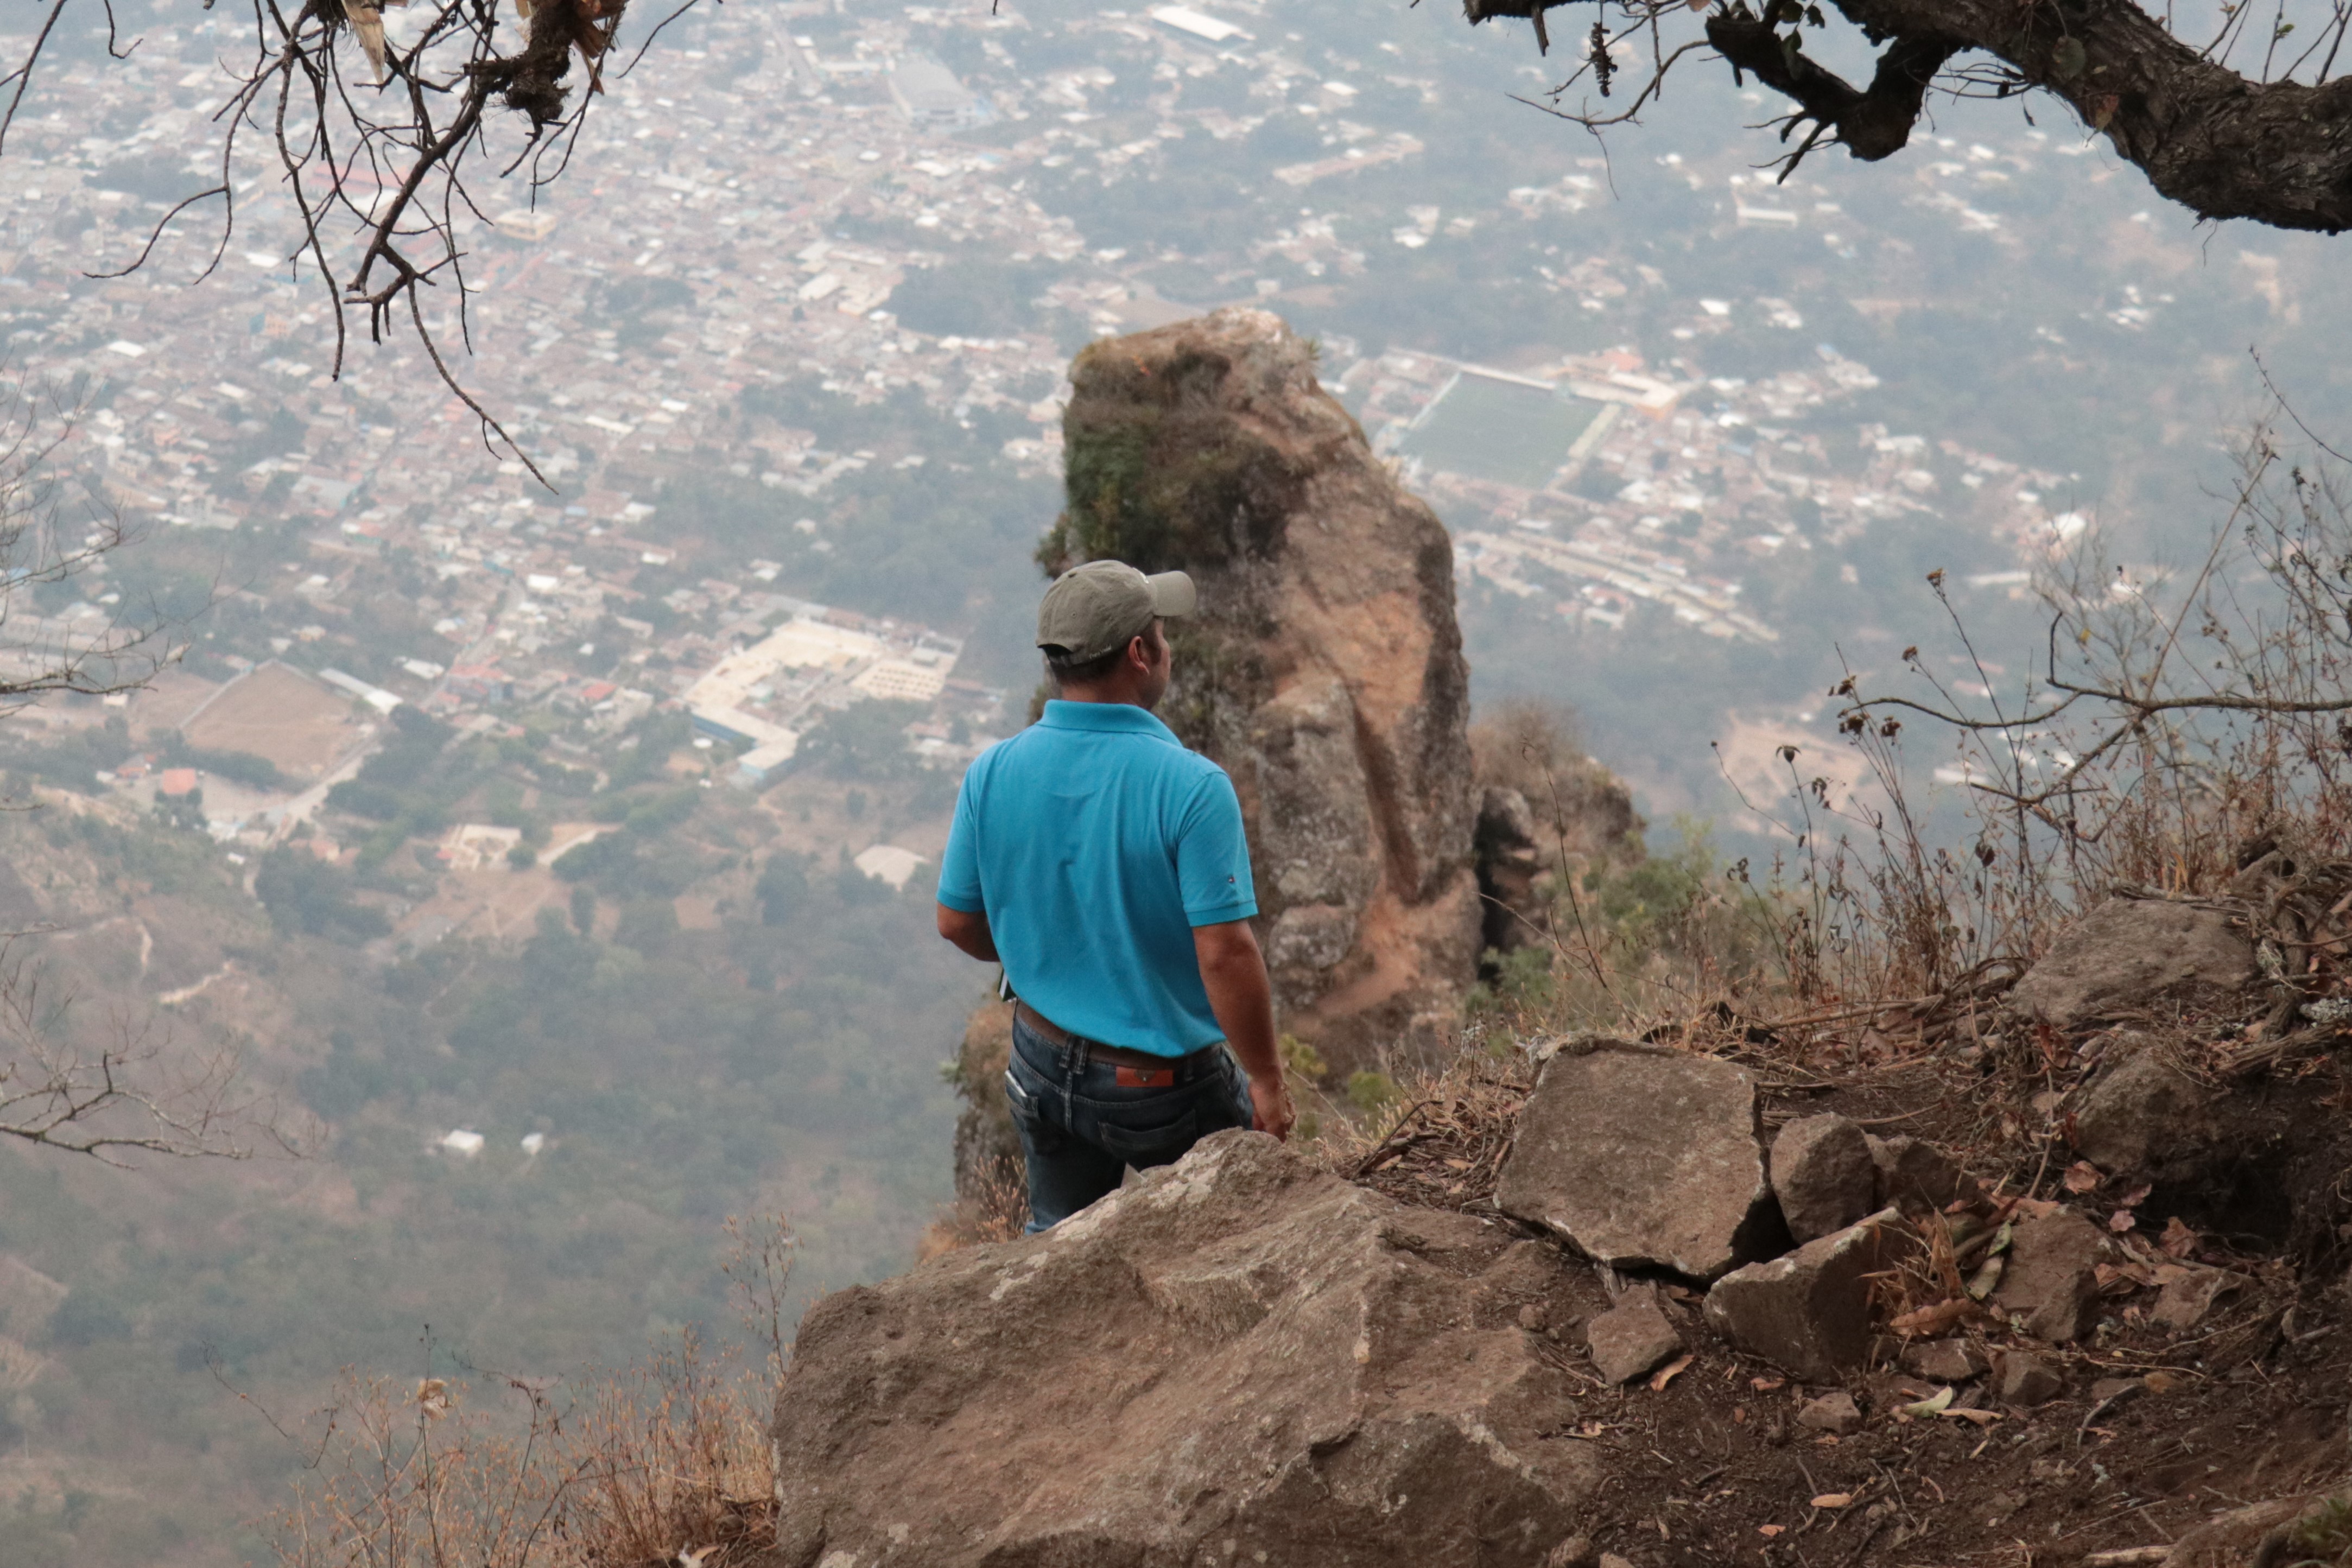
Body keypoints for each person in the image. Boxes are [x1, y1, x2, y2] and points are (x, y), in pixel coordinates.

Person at [935, 558, 1294, 1231]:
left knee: (1056, 1244)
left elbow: (956, 922)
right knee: (1237, 1234)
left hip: (1038, 1059)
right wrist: (1267, 1080)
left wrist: (1043, 961)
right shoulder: (1191, 787)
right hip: (1161, 1086)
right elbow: (1225, 952)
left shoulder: (993, 771)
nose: (1167, 647)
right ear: (1139, 653)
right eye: (1162, 632)